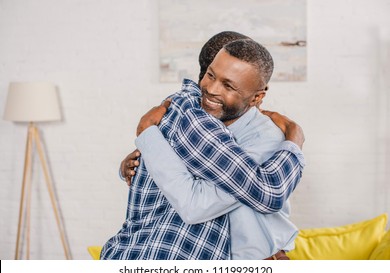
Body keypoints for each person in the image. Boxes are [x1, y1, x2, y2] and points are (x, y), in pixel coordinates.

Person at [101, 34, 305, 260]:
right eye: (210, 75)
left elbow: (195, 205)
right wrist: (134, 164)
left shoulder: (265, 138)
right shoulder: (190, 121)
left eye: (228, 85)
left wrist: (147, 133)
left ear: (257, 96)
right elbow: (161, 187)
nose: (211, 89)